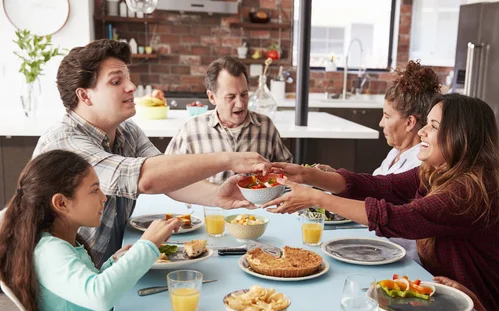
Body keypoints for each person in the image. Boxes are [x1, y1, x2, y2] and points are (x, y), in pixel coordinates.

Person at [265, 94, 499, 311]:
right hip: (442, 300)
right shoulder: (436, 171)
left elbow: (401, 219)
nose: (422, 131)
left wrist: (316, 198)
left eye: (433, 126)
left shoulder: (470, 190)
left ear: (462, 138)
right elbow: (382, 186)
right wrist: (307, 175)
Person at [33, 40, 270, 264]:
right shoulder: (65, 142)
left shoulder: (126, 131)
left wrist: (217, 196)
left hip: (110, 268)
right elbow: (143, 178)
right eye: (116, 82)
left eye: (128, 78)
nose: (131, 87)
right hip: (73, 284)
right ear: (84, 95)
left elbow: (166, 175)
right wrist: (228, 159)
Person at [0, 150, 182, 311]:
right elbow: (99, 296)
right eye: (94, 190)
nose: (104, 198)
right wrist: (147, 245)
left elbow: (85, 286)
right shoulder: (49, 252)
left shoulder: (59, 242)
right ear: (61, 203)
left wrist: (114, 262)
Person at [314, 61, 440, 262]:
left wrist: (316, 196)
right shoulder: (395, 153)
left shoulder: (420, 165)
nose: (381, 123)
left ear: (410, 123)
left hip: (400, 260)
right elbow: (371, 188)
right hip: (374, 247)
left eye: (386, 116)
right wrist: (331, 177)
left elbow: (381, 211)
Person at [165, 56, 293, 184]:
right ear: (212, 97)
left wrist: (273, 174)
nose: (240, 104)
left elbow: (287, 170)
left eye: (244, 94)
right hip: (207, 204)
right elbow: (166, 174)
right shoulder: (191, 130)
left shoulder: (266, 127)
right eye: (230, 97)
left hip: (257, 204)